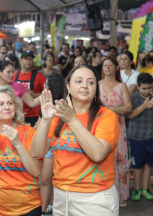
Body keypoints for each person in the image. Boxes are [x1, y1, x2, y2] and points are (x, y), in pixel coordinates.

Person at [31, 64, 121, 215]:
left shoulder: (106, 116)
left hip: (95, 199)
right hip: (60, 197)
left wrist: (72, 120)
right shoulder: (58, 115)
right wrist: (46, 120)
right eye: (78, 81)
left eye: (91, 82)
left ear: (96, 87)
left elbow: (98, 154)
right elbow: (36, 151)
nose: (85, 85)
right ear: (68, 85)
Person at [0, 85, 43, 215]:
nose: (7, 107)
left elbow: (36, 170)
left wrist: (18, 144)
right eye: (0, 104)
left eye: (10, 103)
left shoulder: (29, 132)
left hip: (29, 208)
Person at [99, 57, 132, 207]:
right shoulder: (96, 85)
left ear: (116, 67)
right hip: (99, 129)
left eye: (110, 65)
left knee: (119, 161)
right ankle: (102, 196)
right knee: (101, 160)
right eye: (105, 65)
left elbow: (128, 108)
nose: (107, 67)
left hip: (118, 129)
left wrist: (109, 110)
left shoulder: (121, 86)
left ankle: (121, 195)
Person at [128, 73, 153, 202]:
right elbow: (129, 115)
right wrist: (143, 106)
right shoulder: (132, 98)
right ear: (138, 87)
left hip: (152, 137)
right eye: (144, 88)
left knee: (149, 164)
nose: (147, 91)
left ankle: (145, 189)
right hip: (136, 137)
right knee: (137, 165)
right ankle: (137, 189)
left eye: (149, 88)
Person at [33, 74, 65, 215]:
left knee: (55, 181)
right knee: (45, 180)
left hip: (59, 146)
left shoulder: (65, 106)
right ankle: (44, 209)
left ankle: (52, 207)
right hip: (45, 146)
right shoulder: (44, 105)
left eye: (46, 85)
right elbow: (39, 125)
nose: (43, 87)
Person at [13, 50, 46, 127]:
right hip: (17, 113)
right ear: (20, 61)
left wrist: (34, 94)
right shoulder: (15, 75)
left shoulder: (39, 76)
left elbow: (49, 93)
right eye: (26, 59)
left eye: (30, 59)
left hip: (34, 114)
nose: (29, 61)